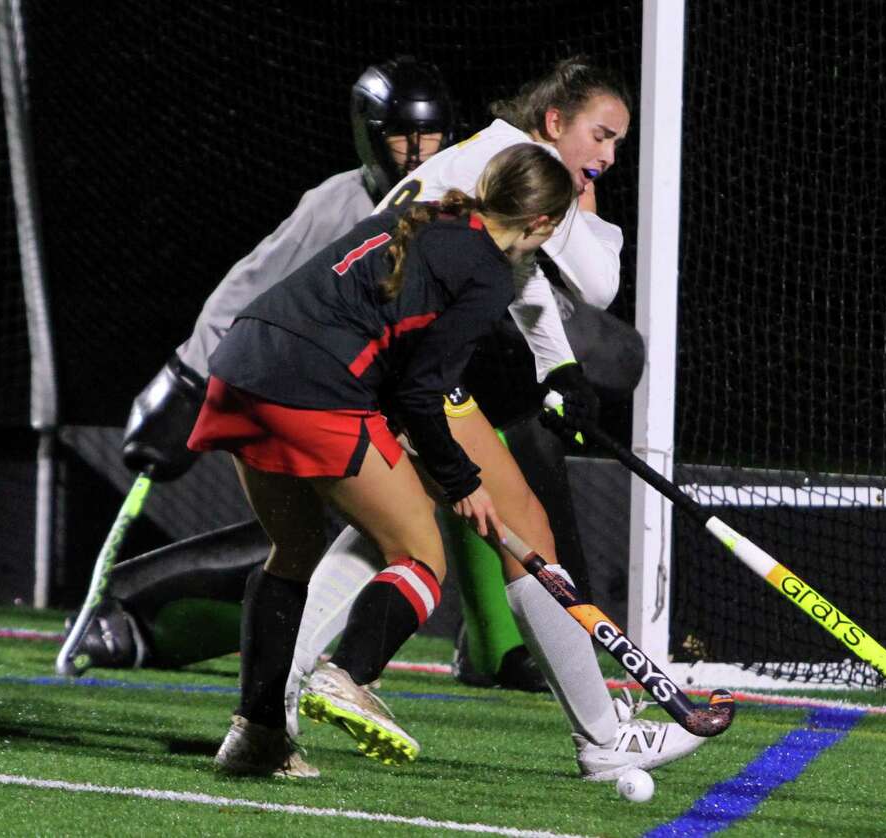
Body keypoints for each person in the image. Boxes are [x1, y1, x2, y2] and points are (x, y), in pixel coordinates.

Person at [243, 59, 706, 783]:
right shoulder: (521, 162)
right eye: (601, 135)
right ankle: (601, 737)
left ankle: (276, 706)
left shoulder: (490, 156)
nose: (609, 156)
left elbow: (520, 273)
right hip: (392, 363)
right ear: (554, 121)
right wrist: (584, 209)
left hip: (350, 354)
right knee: (524, 531)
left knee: (388, 532)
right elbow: (595, 283)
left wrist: (558, 367)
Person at [64, 56, 551, 693]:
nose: (417, 153)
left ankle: (481, 651)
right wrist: (184, 375)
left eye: (430, 136)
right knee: (338, 542)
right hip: (316, 392)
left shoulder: (449, 208)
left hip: (372, 393)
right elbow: (252, 284)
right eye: (401, 137)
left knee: (344, 534)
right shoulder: (338, 204)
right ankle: (152, 625)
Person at [189, 144, 575, 779]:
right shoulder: (487, 275)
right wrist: (463, 481)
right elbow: (422, 392)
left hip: (240, 366)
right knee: (420, 556)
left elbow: (395, 361)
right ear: (542, 224)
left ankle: (256, 735)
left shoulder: (428, 215)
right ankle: (349, 674)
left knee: (293, 550)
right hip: (312, 385)